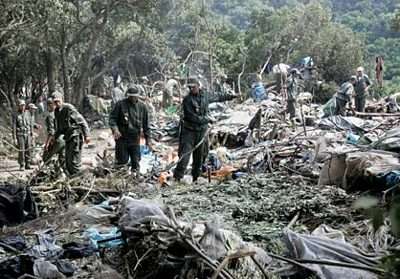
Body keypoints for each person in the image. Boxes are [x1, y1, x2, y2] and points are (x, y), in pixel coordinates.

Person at [173, 78, 238, 183]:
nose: (192, 89)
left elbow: (218, 96)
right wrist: (208, 119)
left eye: (193, 87)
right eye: (190, 87)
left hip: (201, 131)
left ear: (199, 86)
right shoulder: (187, 100)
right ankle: (177, 177)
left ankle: (195, 178)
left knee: (200, 156)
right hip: (189, 132)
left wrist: (231, 96)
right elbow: (192, 117)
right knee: (185, 155)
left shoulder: (205, 95)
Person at [109, 86, 152, 175]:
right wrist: (115, 129)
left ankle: (135, 178)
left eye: (134, 96)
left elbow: (146, 125)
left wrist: (148, 140)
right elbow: (112, 119)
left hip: (135, 138)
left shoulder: (142, 107)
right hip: (122, 138)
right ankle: (121, 180)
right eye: (130, 96)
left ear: (138, 96)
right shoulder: (120, 105)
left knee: (136, 161)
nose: (132, 98)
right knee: (122, 161)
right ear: (128, 96)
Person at [51, 91, 90, 176]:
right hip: (68, 137)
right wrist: (54, 138)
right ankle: (73, 179)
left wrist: (87, 135)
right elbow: (59, 128)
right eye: (55, 102)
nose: (57, 103)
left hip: (75, 136)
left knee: (74, 162)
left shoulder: (69, 108)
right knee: (68, 162)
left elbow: (82, 121)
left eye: (58, 101)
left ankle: (81, 179)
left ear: (62, 100)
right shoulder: (57, 111)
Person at [43, 97, 65, 165]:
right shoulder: (61, 113)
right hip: (64, 138)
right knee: (62, 158)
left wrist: (46, 144)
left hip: (57, 140)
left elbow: (51, 132)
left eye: (49, 104)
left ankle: (48, 173)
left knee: (46, 158)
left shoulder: (50, 116)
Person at [13, 99, 32, 170]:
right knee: (22, 150)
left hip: (28, 134)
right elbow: (14, 126)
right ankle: (22, 164)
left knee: (28, 149)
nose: (22, 107)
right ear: (19, 106)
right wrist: (14, 138)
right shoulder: (16, 114)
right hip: (20, 134)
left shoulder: (28, 113)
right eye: (21, 105)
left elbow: (30, 123)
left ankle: (28, 163)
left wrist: (34, 128)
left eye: (23, 105)